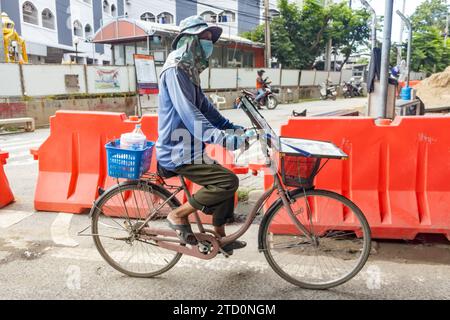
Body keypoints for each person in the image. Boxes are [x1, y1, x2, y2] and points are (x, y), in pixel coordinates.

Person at [156, 16, 248, 255]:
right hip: (177, 151)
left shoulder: (188, 71)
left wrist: (234, 129)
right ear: (189, 41)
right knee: (228, 182)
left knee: (225, 181)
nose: (209, 44)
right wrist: (223, 139)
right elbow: (191, 115)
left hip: (190, 149)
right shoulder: (175, 70)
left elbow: (207, 110)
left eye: (210, 39)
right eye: (204, 38)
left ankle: (220, 239)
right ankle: (177, 214)